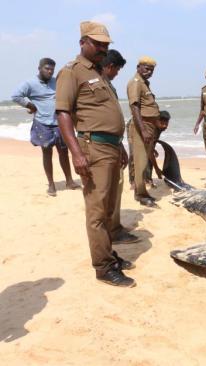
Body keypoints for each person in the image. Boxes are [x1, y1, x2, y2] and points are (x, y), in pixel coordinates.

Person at [56, 21, 136, 287]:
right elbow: (64, 113)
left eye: (105, 45)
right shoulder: (72, 72)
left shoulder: (100, 74)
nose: (103, 48)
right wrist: (76, 153)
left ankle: (108, 255)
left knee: (109, 205)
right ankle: (103, 267)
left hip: (111, 147)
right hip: (93, 149)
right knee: (97, 211)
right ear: (83, 42)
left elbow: (107, 116)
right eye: (97, 43)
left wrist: (121, 145)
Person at [11, 58, 80, 196]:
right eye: (47, 69)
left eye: (52, 69)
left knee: (64, 152)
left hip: (59, 123)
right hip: (42, 124)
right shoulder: (30, 83)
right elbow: (16, 95)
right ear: (39, 68)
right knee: (47, 153)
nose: (49, 71)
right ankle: (51, 185)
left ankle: (69, 180)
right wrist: (30, 105)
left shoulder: (57, 82)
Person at [100, 49, 140, 245]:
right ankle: (110, 232)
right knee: (107, 192)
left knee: (117, 187)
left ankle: (114, 228)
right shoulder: (97, 84)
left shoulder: (108, 86)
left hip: (114, 144)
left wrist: (121, 146)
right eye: (116, 70)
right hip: (101, 147)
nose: (117, 74)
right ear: (109, 66)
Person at [127, 56, 163, 207]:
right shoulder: (135, 83)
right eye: (147, 69)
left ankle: (142, 192)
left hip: (149, 126)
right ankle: (140, 194)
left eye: (152, 70)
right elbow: (134, 107)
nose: (149, 72)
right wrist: (143, 130)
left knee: (144, 161)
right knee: (141, 162)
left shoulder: (144, 84)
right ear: (138, 67)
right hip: (142, 126)